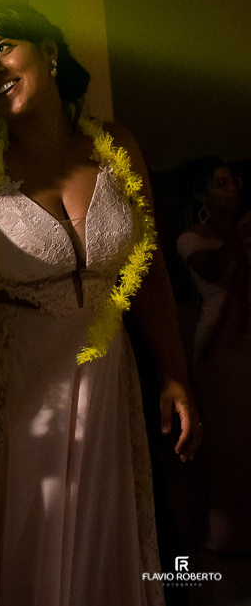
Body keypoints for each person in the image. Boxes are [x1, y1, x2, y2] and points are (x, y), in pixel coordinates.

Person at [0, 4, 201, 606]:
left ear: (51, 53)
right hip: (10, 384)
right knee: (26, 539)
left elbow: (151, 276)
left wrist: (173, 373)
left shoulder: (118, 149)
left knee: (99, 536)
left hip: (104, 377)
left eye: (5, 47)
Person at [176, 158, 251, 553]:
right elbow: (217, 275)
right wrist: (238, 238)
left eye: (234, 181)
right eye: (221, 183)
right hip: (221, 348)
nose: (232, 188)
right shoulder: (191, 238)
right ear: (201, 195)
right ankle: (228, 536)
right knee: (231, 442)